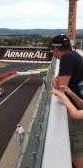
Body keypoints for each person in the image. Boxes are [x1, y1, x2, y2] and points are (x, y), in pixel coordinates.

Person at [50, 34, 83, 167]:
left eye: (53, 50)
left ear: (56, 49)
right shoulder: (74, 56)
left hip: (77, 113)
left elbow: (60, 85)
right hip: (78, 105)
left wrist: (63, 94)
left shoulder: (67, 58)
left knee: (77, 147)